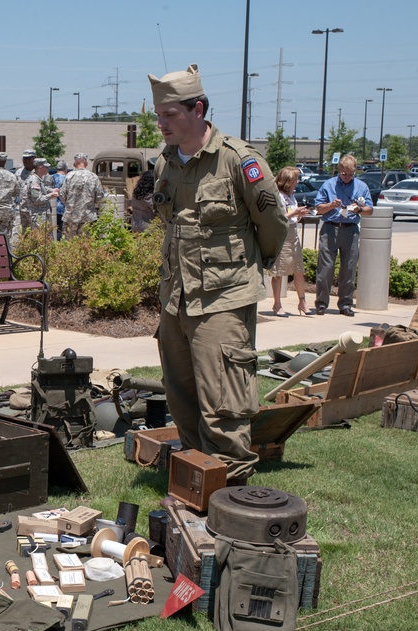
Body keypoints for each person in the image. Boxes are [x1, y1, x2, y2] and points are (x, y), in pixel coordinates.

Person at [149, 63, 286, 486]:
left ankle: (234, 491)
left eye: (170, 115)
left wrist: (246, 273)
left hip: (223, 301)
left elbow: (273, 225)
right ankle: (198, 481)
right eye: (159, 116)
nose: (162, 124)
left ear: (199, 109)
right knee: (183, 397)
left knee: (223, 401)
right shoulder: (166, 163)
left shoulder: (239, 161)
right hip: (177, 297)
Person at [313, 154, 374, 317]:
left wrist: (358, 209)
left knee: (349, 268)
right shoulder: (328, 185)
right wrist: (330, 205)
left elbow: (370, 210)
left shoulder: (361, 186)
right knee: (326, 268)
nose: (347, 177)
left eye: (351, 174)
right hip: (330, 229)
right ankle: (321, 303)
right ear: (339, 170)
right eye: (344, 174)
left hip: (351, 230)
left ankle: (346, 304)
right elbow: (318, 208)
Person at [270, 166, 312, 317]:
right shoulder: (277, 196)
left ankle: (302, 302)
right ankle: (277, 304)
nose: (298, 182)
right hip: (283, 235)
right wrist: (295, 212)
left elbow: (291, 215)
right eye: (295, 179)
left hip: (294, 234)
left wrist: (298, 215)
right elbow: (278, 217)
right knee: (279, 272)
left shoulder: (292, 195)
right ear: (287, 181)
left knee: (298, 270)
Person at [58, 153, 106, 239]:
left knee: (68, 245)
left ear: (75, 163)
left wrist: (70, 204)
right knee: (86, 244)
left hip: (71, 217)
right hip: (87, 217)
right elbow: (100, 195)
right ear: (86, 163)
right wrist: (91, 204)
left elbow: (61, 195)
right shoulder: (93, 177)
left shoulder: (69, 176)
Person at [24, 157, 58, 232]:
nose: (47, 169)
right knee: (41, 238)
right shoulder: (34, 180)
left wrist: (51, 190)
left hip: (42, 215)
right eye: (46, 167)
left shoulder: (38, 179)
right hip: (39, 216)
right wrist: (51, 195)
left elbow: (42, 189)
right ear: (40, 167)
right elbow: (37, 199)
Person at [130, 160, 157, 232]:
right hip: (146, 226)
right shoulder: (148, 196)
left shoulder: (136, 193)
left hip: (135, 224)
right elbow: (157, 210)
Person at [16, 149, 36, 231]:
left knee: (36, 232)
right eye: (24, 159)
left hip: (35, 210)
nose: (26, 161)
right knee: (22, 232)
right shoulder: (19, 172)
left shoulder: (40, 171)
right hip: (21, 209)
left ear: (34, 159)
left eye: (29, 159)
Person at [52, 160, 68, 237]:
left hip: (53, 206)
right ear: (65, 169)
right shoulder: (67, 178)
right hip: (63, 207)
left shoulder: (51, 177)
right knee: (61, 230)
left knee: (53, 229)